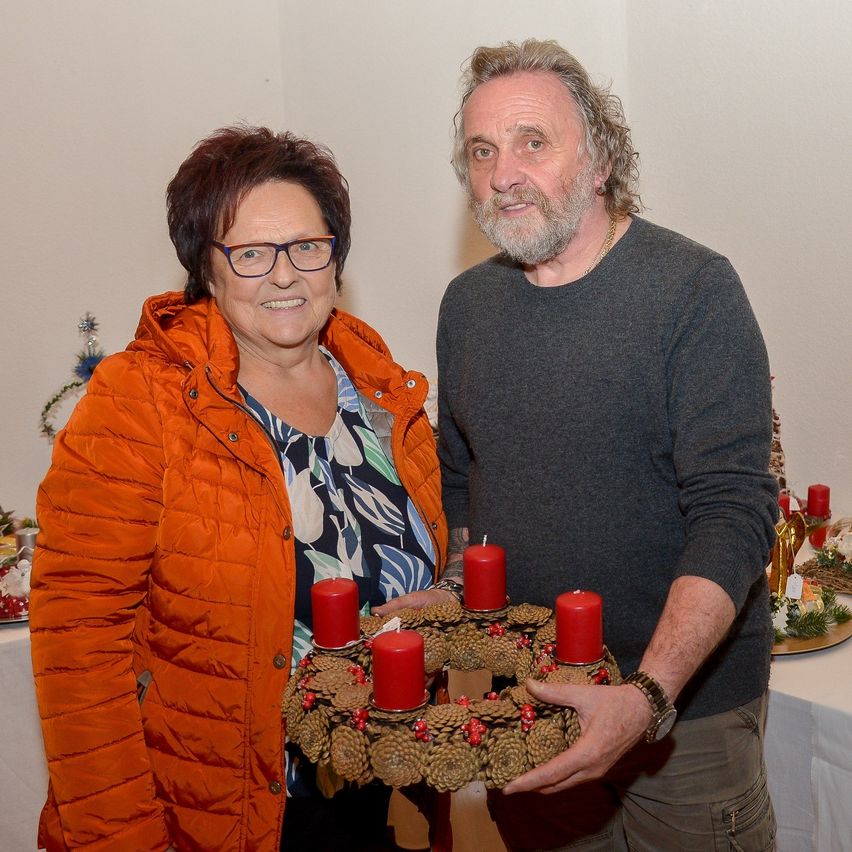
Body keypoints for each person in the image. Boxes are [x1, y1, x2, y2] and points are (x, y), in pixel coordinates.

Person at [30, 126, 450, 851]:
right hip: (209, 817)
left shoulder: (381, 391)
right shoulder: (142, 400)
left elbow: (416, 572)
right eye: (250, 253)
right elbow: (78, 645)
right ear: (207, 268)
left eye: (306, 247)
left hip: (370, 805)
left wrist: (442, 604)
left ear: (335, 257)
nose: (284, 276)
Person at [436, 39, 779, 850]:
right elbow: (464, 485)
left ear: (599, 162)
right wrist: (455, 590)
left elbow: (734, 511)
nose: (501, 173)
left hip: (687, 717)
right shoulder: (466, 307)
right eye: (482, 150)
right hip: (536, 699)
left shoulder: (694, 290)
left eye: (532, 142)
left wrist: (648, 697)